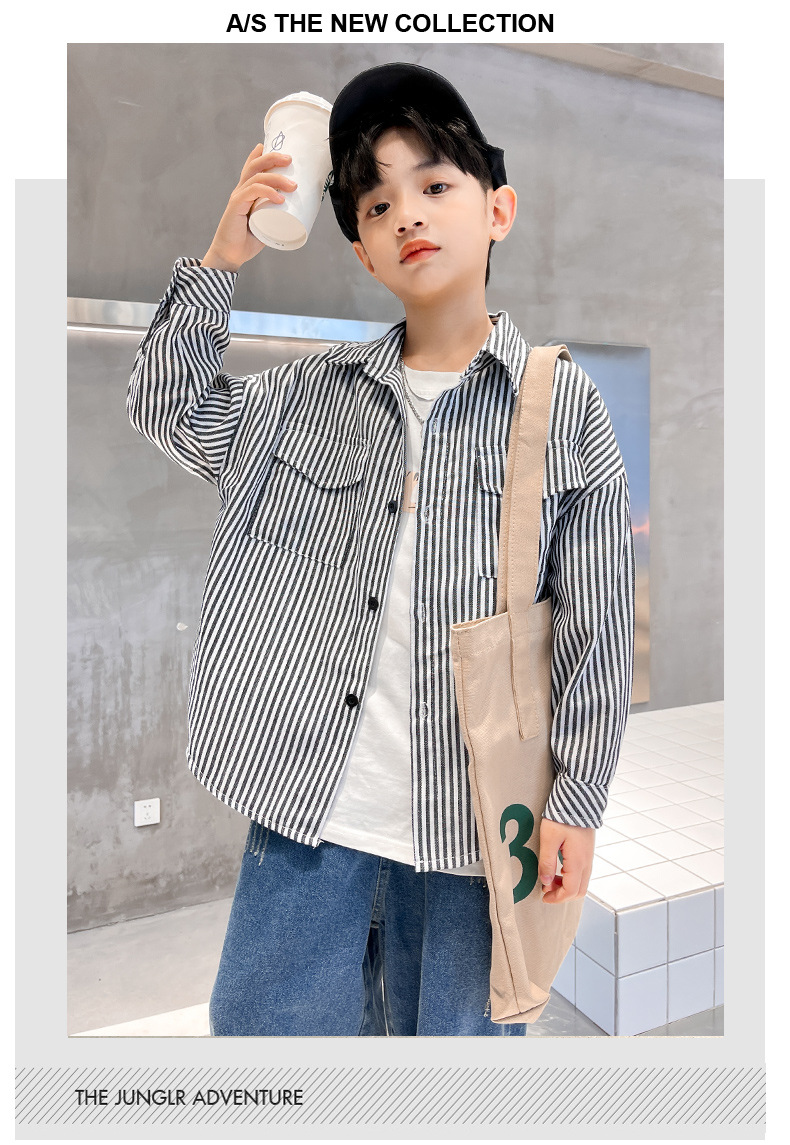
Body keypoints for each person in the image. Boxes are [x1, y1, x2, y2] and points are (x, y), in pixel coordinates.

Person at [127, 62, 635, 1037]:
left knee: (448, 1079)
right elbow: (166, 406)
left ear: (497, 209)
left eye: (435, 183)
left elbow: (597, 627)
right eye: (376, 203)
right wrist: (223, 256)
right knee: (268, 1052)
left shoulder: (561, 405)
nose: (408, 214)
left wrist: (577, 798)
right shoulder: (308, 394)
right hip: (307, 812)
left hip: (470, 833)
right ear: (362, 251)